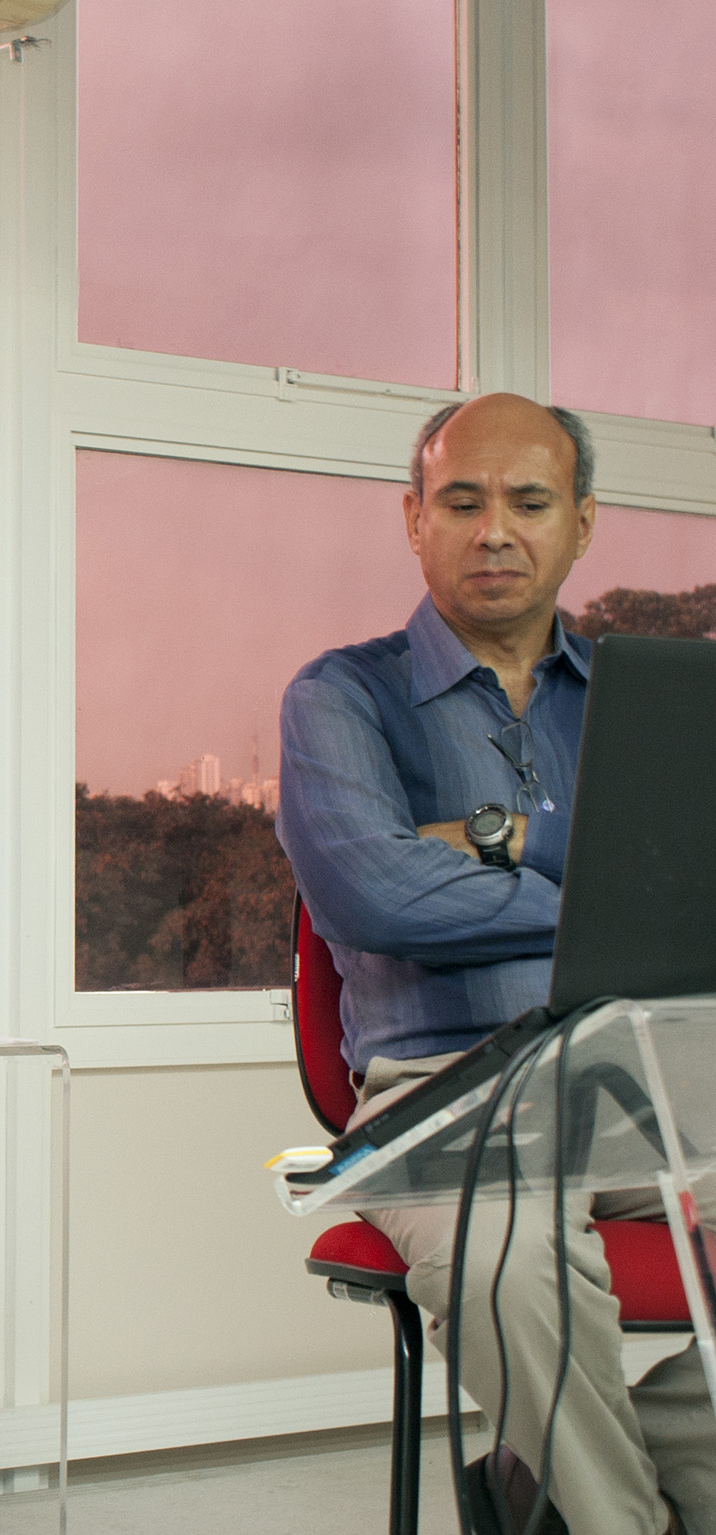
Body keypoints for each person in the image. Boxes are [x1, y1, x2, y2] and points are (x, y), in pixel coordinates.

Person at [278, 393, 716, 1535]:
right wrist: (612, 876)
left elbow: (700, 893)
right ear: (413, 518)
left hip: (649, 1080)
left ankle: (544, 1486)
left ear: (581, 523)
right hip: (448, 1090)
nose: (493, 530)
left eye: (529, 501)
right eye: (461, 501)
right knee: (506, 1265)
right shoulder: (340, 696)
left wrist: (500, 837)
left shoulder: (654, 695)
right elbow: (371, 891)